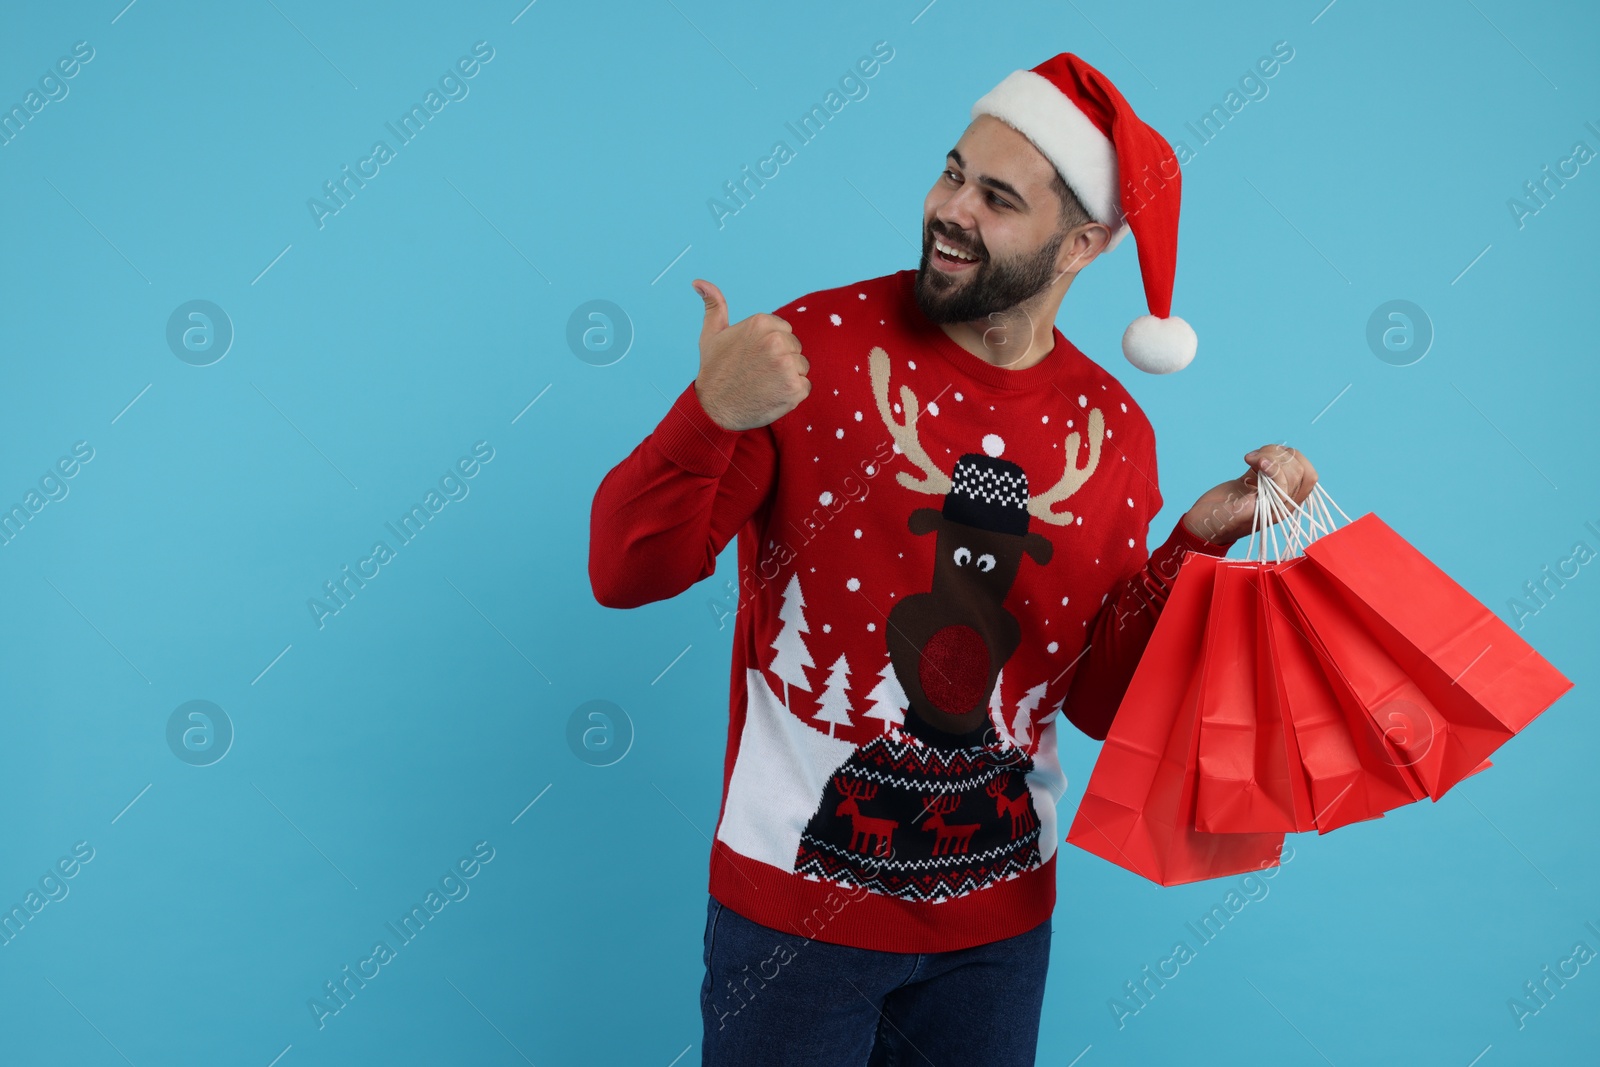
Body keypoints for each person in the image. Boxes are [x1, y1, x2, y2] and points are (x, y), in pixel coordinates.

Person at [588, 51, 1317, 1067]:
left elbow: (1099, 700)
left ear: (1086, 243)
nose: (949, 209)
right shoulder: (814, 349)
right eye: (950, 174)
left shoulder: (1112, 432)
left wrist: (1194, 541)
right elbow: (627, 574)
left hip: (999, 930)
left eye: (996, 197)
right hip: (795, 918)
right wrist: (708, 414)